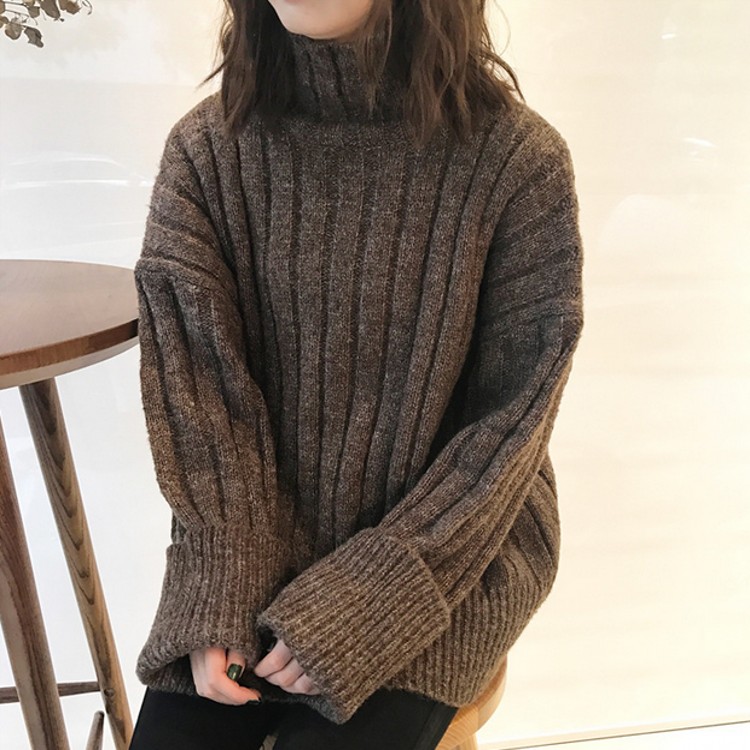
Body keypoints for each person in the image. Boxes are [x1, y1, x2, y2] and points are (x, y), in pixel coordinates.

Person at [127, 0, 585, 748]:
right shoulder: (207, 152)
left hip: (449, 554)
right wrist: (218, 579)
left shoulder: (517, 161)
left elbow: (509, 425)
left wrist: (374, 599)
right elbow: (200, 399)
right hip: (251, 545)